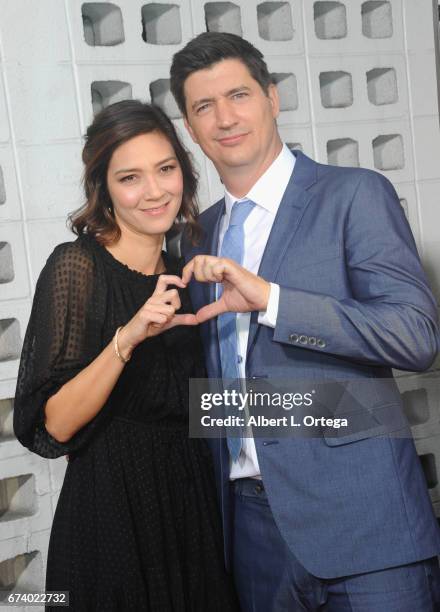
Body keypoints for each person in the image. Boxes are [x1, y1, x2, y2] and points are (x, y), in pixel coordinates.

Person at [170, 32, 440, 611]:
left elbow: (416, 337)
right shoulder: (193, 236)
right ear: (190, 129)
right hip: (252, 538)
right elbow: (225, 390)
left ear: (272, 98)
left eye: (238, 95)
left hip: (368, 532)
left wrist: (273, 300)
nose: (224, 118)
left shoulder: (353, 195)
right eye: (203, 107)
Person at [13, 100, 239, 611]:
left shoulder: (190, 272)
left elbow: (206, 408)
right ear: (104, 189)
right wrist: (128, 336)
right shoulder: (78, 265)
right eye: (130, 177)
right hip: (110, 516)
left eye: (165, 169)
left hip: (190, 511)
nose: (155, 191)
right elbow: (54, 426)